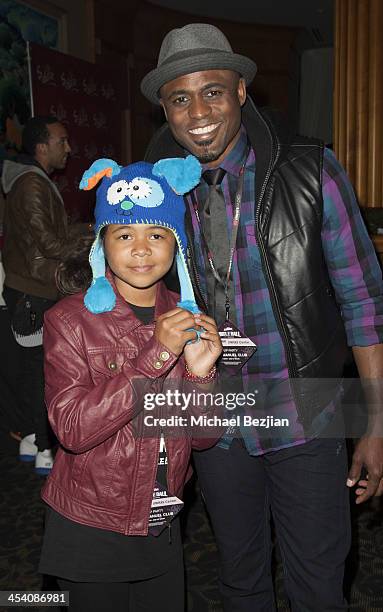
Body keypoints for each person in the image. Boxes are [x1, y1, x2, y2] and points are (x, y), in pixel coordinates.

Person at [141, 23, 383, 611]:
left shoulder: (311, 171)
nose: (198, 112)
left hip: (306, 412)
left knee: (318, 586)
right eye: (180, 98)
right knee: (240, 580)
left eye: (213, 92)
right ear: (167, 111)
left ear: (242, 92)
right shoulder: (156, 194)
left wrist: (376, 423)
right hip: (215, 422)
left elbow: (365, 305)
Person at [38, 155, 222, 612]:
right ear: (102, 245)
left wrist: (202, 375)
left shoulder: (187, 317)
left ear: (176, 246)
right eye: (125, 234)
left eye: (157, 235)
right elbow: (72, 428)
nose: (142, 249)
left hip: (160, 520)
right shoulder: (70, 320)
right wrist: (155, 355)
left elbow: (204, 437)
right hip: (90, 523)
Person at [1, 115, 84, 474]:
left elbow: (52, 234)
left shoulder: (32, 181)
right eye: (61, 141)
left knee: (32, 371)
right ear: (41, 146)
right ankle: (45, 451)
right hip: (34, 293)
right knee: (40, 373)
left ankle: (31, 442)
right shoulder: (32, 185)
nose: (68, 148)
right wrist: (94, 239)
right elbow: (51, 244)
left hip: (29, 289)